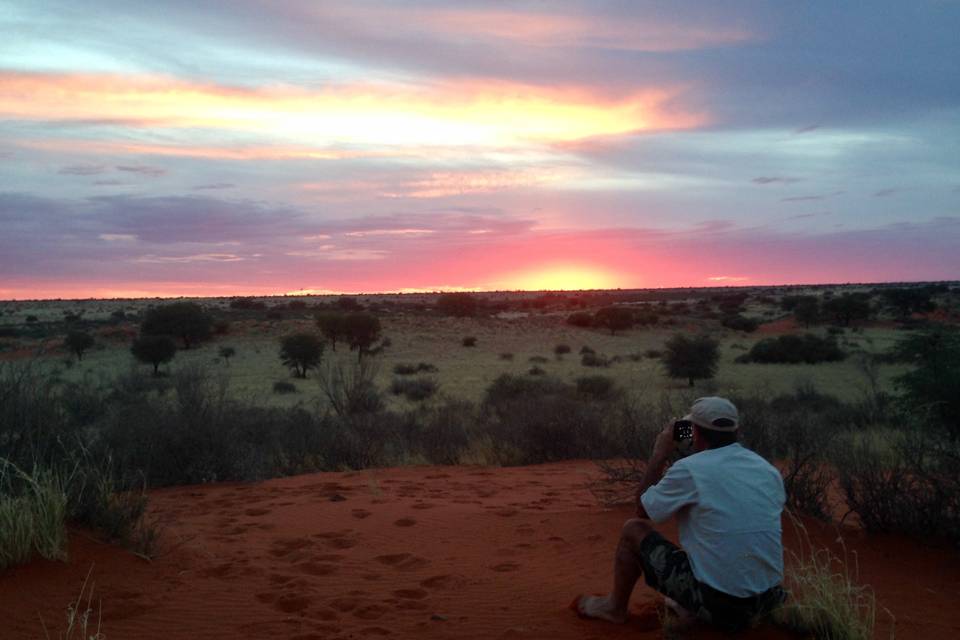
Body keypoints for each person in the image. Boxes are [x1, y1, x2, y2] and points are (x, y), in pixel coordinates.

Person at [575, 397, 786, 633]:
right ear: (736, 431)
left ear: (694, 432)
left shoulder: (691, 469)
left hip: (722, 605)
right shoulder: (767, 470)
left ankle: (614, 608)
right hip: (769, 600)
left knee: (633, 530)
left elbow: (643, 510)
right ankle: (691, 605)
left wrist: (659, 454)